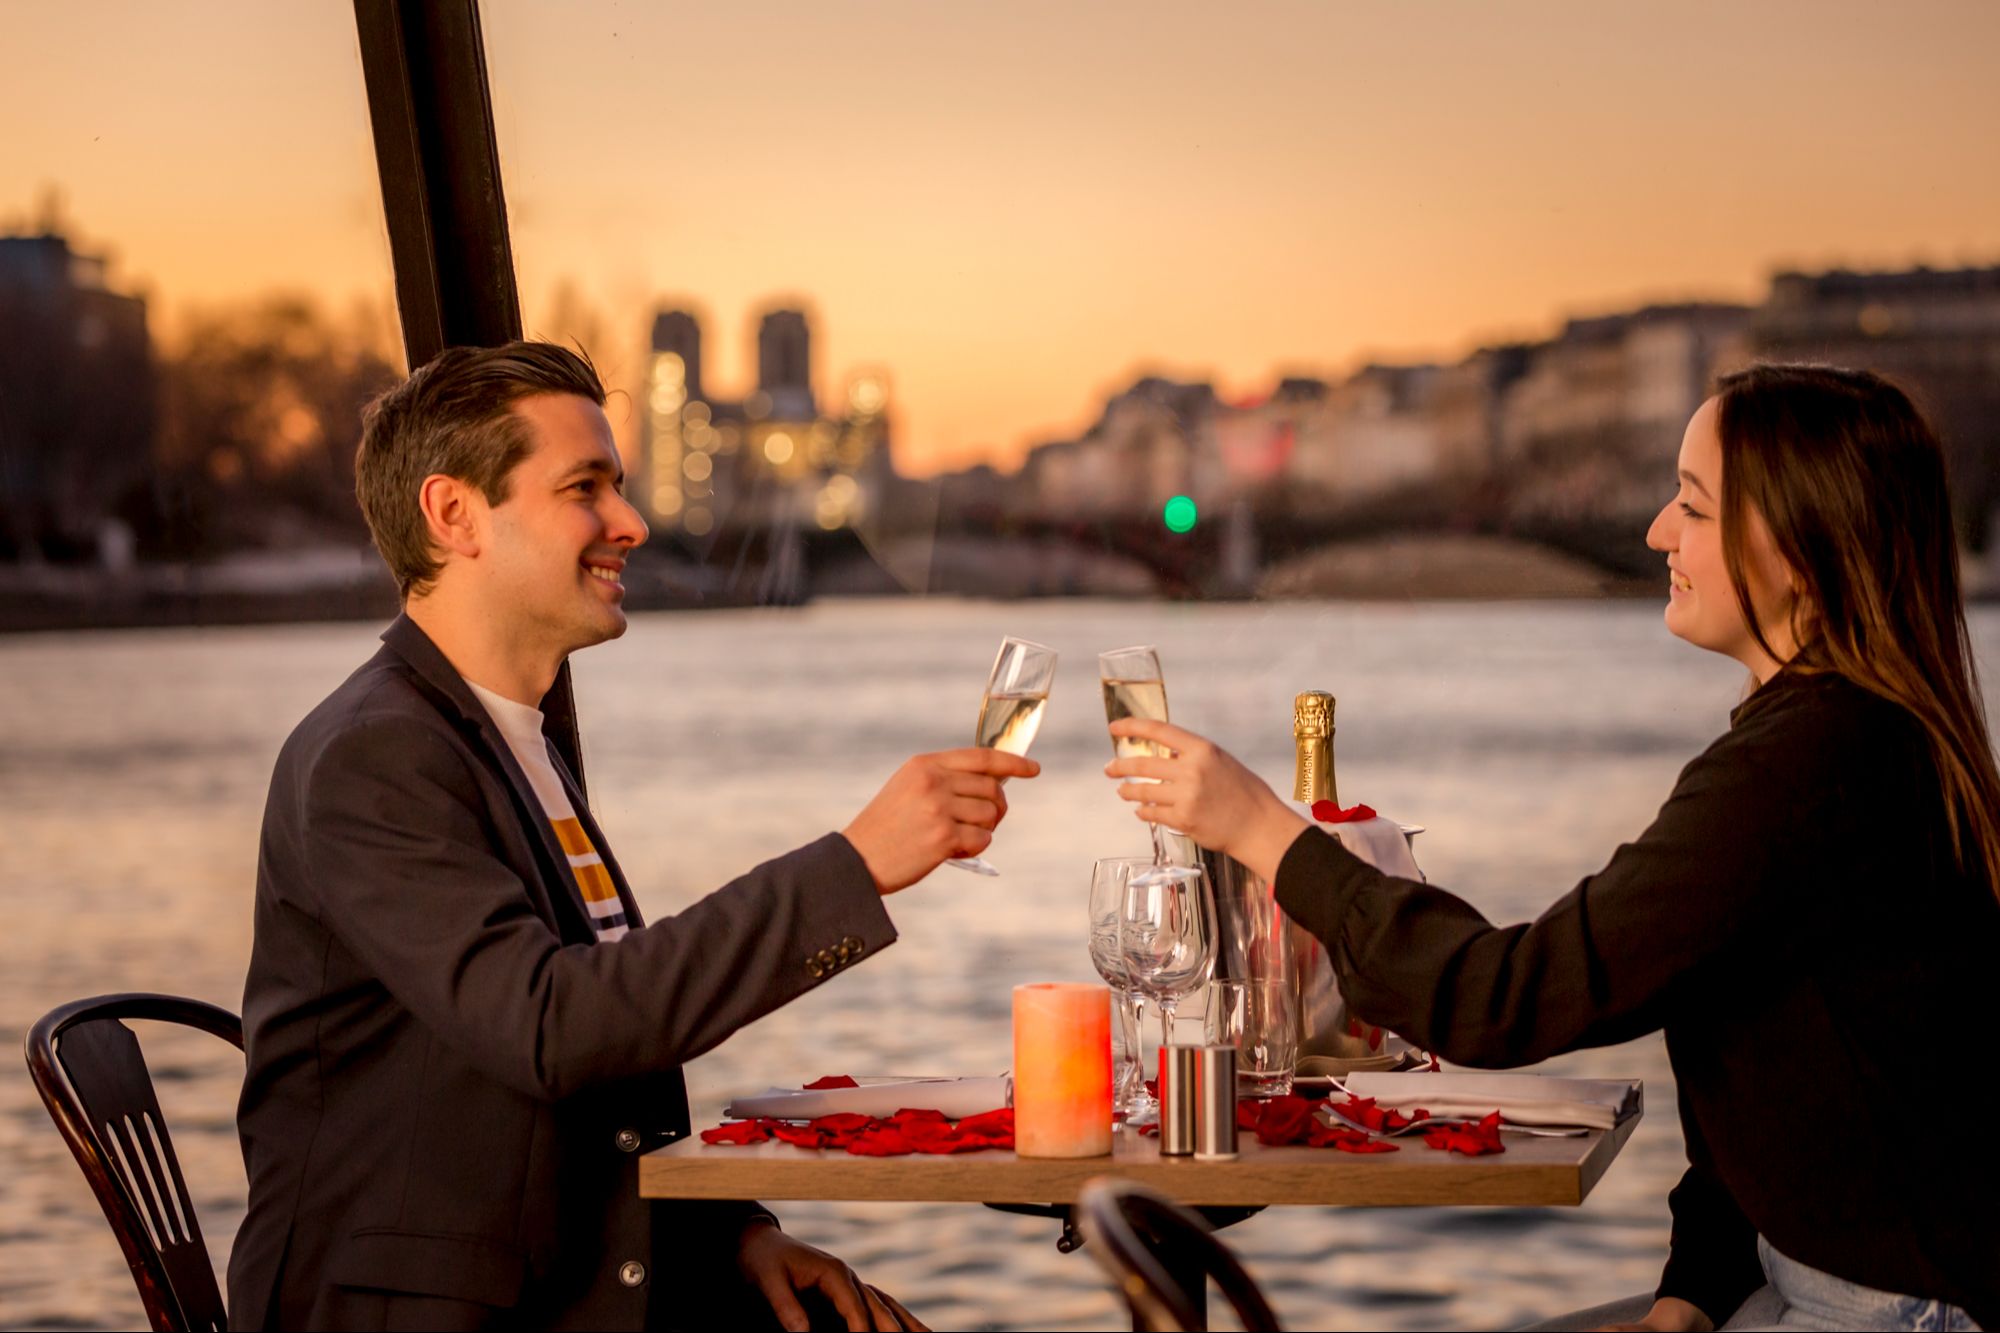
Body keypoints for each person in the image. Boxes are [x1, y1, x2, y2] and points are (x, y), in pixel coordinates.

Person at [1106, 365, 1999, 1332]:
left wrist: (1260, 830)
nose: (1658, 530)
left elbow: (1500, 999)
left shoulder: (1801, 767)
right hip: (1817, 1278)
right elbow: (1775, 1082)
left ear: (1794, 548)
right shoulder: (1859, 738)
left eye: (1692, 506)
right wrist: (1689, 1297)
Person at [228, 341, 1036, 1331]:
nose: (631, 522)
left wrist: (730, 1233)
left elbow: (605, 1056)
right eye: (585, 487)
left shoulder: (506, 743)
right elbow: (552, 1027)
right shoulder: (376, 756)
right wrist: (857, 863)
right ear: (453, 515)